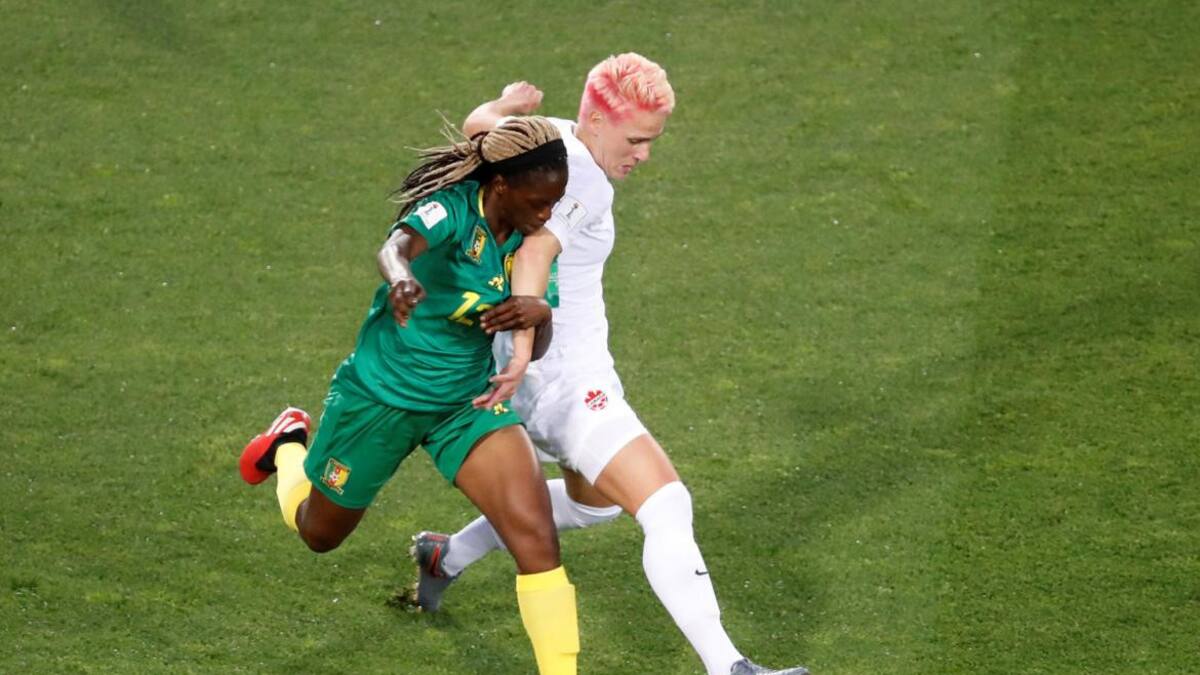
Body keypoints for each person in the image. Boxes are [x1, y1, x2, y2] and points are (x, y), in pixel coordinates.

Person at [409, 54, 811, 675]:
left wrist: (507, 104)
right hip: (564, 380)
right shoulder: (584, 180)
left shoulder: (541, 141)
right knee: (666, 503)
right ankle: (728, 666)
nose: (645, 155)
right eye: (637, 139)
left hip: (521, 377)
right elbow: (539, 250)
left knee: (592, 504)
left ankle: (448, 555)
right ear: (596, 119)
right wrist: (524, 346)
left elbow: (477, 128)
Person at [238, 116, 580, 675]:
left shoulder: (533, 244)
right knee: (318, 534)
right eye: (538, 201)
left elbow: (534, 345)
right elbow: (398, 244)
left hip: (464, 405)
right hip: (380, 399)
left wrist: (539, 317)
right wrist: (401, 277)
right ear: (499, 187)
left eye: (556, 201)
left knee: (536, 537)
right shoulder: (453, 208)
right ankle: (287, 447)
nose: (547, 214)